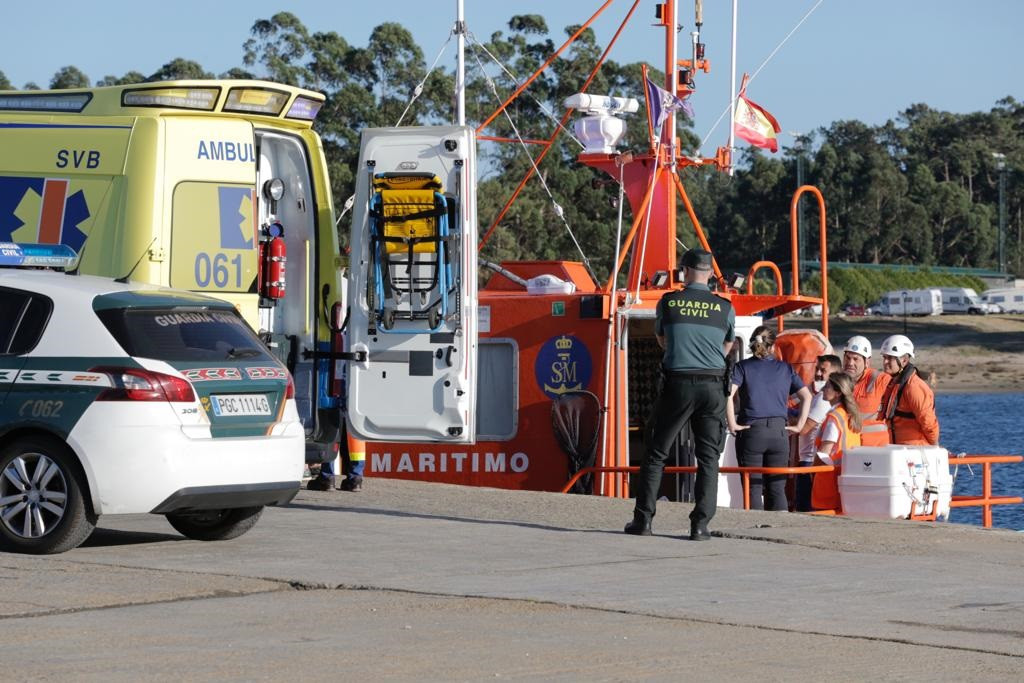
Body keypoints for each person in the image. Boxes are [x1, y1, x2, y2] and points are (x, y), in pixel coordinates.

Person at [625, 248, 735, 541]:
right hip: (713, 387)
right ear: (710, 274)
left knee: (656, 452)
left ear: (684, 271)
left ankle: (643, 520)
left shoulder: (669, 302)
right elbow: (727, 347)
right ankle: (700, 526)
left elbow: (662, 340)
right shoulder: (724, 307)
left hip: (678, 383)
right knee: (709, 457)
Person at [726, 326, 813, 511]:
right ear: (773, 347)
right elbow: (807, 396)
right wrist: (799, 426)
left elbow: (728, 395)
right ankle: (778, 531)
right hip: (779, 433)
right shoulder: (786, 369)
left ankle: (755, 533)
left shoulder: (742, 367)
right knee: (777, 488)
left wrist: (732, 424)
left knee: (754, 488)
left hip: (752, 432)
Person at [795, 354, 842, 512]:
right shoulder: (818, 395)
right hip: (809, 461)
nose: (818, 374)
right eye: (817, 369)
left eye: (823, 370)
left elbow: (803, 428)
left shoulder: (823, 399)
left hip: (809, 462)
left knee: (806, 511)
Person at [811, 372, 863, 513]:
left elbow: (824, 453)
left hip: (829, 481)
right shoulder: (850, 416)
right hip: (847, 479)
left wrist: (811, 472)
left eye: (827, 386)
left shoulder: (834, 418)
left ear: (838, 392)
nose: (823, 389)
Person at [878, 334, 939, 446]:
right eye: (884, 357)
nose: (885, 362)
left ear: (904, 360)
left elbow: (928, 422)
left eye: (890, 358)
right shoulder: (894, 384)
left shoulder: (913, 387)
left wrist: (935, 448)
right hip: (899, 451)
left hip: (916, 453)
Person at [841, 335, 891, 445]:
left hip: (877, 449)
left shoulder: (880, 380)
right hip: (849, 448)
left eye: (856, 359)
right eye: (848, 358)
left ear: (867, 362)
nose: (850, 363)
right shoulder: (837, 382)